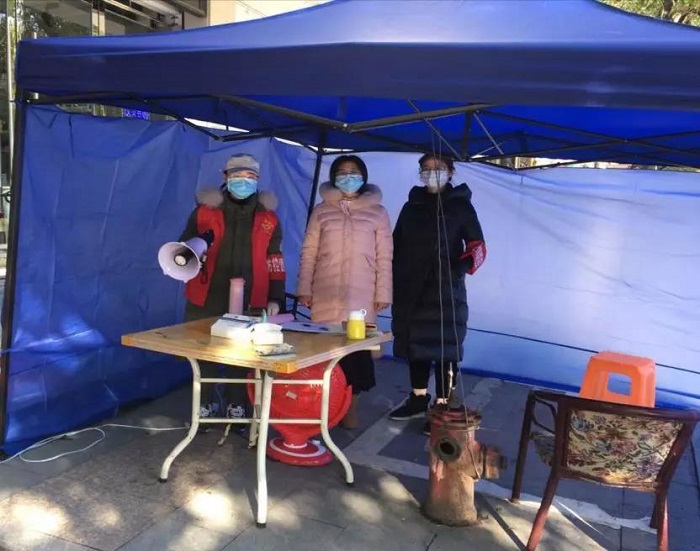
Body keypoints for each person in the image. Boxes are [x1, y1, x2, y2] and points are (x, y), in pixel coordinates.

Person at [179, 153, 286, 425]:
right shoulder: (204, 212)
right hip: (207, 294)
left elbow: (274, 258)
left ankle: (237, 404)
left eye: (250, 176)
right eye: (237, 175)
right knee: (204, 349)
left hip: (252, 296)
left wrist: (276, 296)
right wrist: (195, 253)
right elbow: (184, 249)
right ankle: (203, 404)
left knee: (244, 353)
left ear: (258, 180)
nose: (243, 181)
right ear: (225, 177)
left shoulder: (268, 218)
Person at [388, 153, 486, 435]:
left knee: (445, 349)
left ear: (451, 172)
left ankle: (443, 406)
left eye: (439, 168)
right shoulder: (412, 206)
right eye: (427, 168)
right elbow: (395, 243)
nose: (432, 173)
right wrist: (392, 276)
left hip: (446, 291)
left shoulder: (461, 206)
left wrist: (457, 269)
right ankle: (418, 398)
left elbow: (478, 246)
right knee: (416, 345)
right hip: (412, 289)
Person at [296, 155, 393, 428]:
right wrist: (304, 288)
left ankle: (350, 408)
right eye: (342, 171)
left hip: (362, 295)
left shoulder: (378, 212)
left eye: (353, 171)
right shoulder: (321, 210)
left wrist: (383, 293)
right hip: (325, 290)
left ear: (363, 177)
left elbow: (385, 256)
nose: (348, 176)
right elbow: (309, 252)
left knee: (355, 354)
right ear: (334, 177)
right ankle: (324, 409)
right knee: (324, 351)